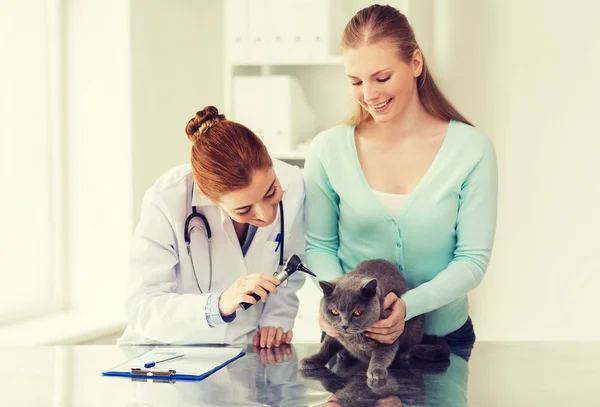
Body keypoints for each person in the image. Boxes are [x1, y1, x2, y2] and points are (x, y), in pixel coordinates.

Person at [304, 5, 497, 349]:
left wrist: (409, 307)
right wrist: (340, 302)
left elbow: (472, 260)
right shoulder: (327, 150)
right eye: (355, 81)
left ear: (416, 63)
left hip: (442, 340)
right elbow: (319, 246)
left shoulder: (471, 149)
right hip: (353, 341)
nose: (369, 94)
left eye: (381, 78)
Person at [118, 106, 306, 347]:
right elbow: (142, 307)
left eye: (271, 192)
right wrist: (217, 305)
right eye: (243, 209)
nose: (266, 215)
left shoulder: (293, 183)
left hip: (243, 349)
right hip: (165, 353)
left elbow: (290, 264)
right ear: (208, 195)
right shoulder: (166, 198)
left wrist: (276, 318)